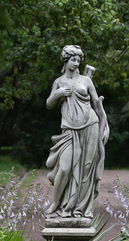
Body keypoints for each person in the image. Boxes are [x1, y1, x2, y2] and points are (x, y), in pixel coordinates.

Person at [45, 45, 109, 220]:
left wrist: (105, 127)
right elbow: (49, 104)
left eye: (78, 60)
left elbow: (97, 104)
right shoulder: (58, 82)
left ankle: (79, 209)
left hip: (90, 125)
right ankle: (56, 205)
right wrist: (57, 94)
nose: (76, 63)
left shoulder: (86, 81)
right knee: (64, 168)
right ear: (66, 60)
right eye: (73, 59)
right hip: (69, 130)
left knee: (86, 169)